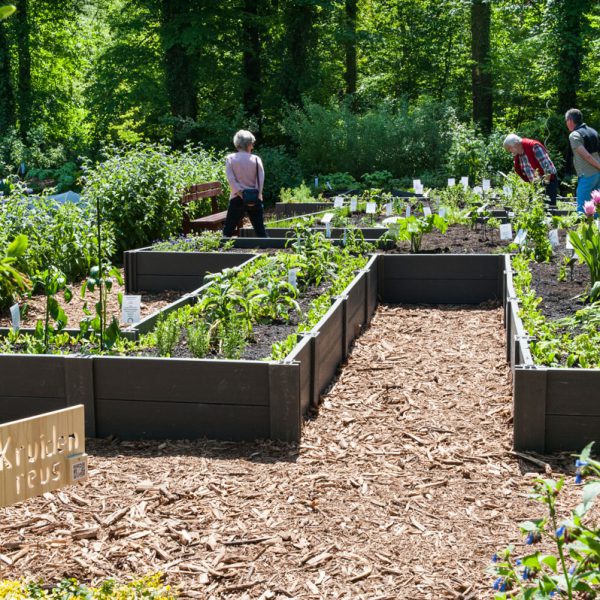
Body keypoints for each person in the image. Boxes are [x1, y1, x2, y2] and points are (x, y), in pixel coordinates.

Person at [223, 129, 267, 237]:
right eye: (252, 144)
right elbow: (260, 179)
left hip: (236, 198)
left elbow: (231, 180)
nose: (252, 146)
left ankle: (221, 251)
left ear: (237, 144)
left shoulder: (230, 159)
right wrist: (257, 194)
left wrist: (241, 194)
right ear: (248, 144)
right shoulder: (256, 159)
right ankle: (268, 250)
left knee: (227, 231)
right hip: (254, 197)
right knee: (260, 231)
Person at [503, 134, 558, 205]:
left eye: (510, 148)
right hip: (535, 184)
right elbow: (523, 171)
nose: (510, 151)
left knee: (548, 209)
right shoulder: (519, 154)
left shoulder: (534, 147)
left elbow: (548, 168)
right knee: (532, 207)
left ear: (516, 144)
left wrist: (544, 188)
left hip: (548, 182)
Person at [564, 108, 600, 213]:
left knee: (583, 208)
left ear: (570, 121)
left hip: (587, 174)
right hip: (598, 174)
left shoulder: (574, 135)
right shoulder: (593, 131)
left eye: (566, 121)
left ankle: (583, 228)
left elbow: (587, 156)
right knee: (596, 206)